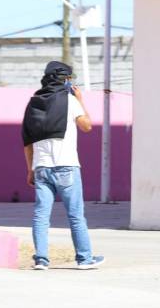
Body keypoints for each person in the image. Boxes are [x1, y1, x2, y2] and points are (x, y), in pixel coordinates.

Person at [21, 61, 105, 271]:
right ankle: (84, 259)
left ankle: (41, 259)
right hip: (67, 166)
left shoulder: (33, 104)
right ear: (64, 79)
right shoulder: (69, 100)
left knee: (41, 216)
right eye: (69, 79)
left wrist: (30, 169)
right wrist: (81, 100)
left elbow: (27, 142)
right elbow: (87, 126)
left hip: (41, 168)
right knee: (75, 215)